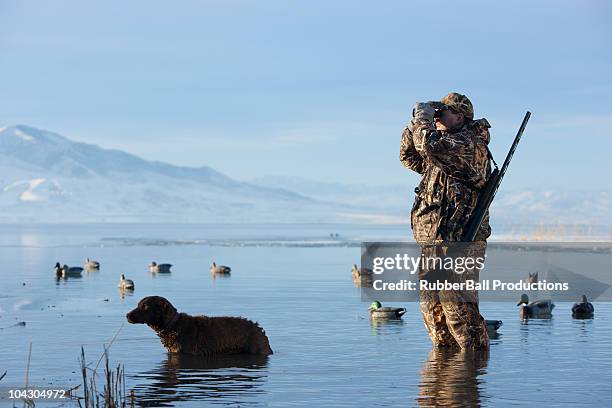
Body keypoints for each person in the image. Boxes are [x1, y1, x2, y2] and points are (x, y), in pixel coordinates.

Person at [400, 92, 491, 350]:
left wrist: (424, 122)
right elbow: (410, 156)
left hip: (462, 241)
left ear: (460, 117)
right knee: (433, 311)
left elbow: (428, 145)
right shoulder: (441, 149)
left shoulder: (468, 145)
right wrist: (414, 123)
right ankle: (444, 376)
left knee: (460, 313)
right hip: (435, 241)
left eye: (444, 113)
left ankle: (473, 373)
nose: (437, 117)